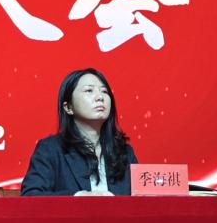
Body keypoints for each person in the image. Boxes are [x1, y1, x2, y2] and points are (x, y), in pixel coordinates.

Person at [21, 68, 138, 196]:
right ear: (68, 107)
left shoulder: (125, 152)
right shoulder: (50, 149)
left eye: (104, 91)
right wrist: (78, 198)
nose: (100, 97)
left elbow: (141, 199)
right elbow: (31, 195)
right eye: (89, 90)